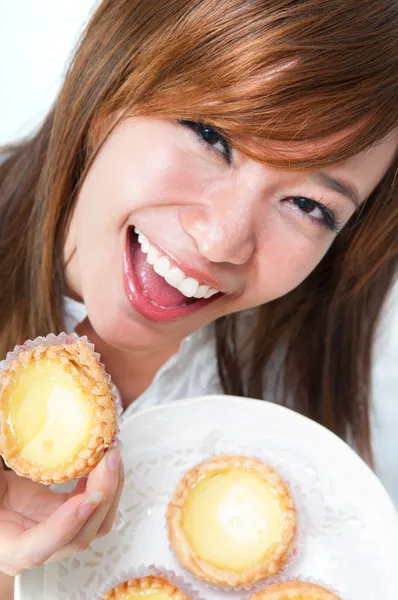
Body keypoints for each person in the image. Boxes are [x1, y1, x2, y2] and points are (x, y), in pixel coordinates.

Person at [1, 0, 398, 596]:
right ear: (115, 76)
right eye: (211, 136)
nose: (221, 241)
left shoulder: (344, 387)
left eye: (309, 206)